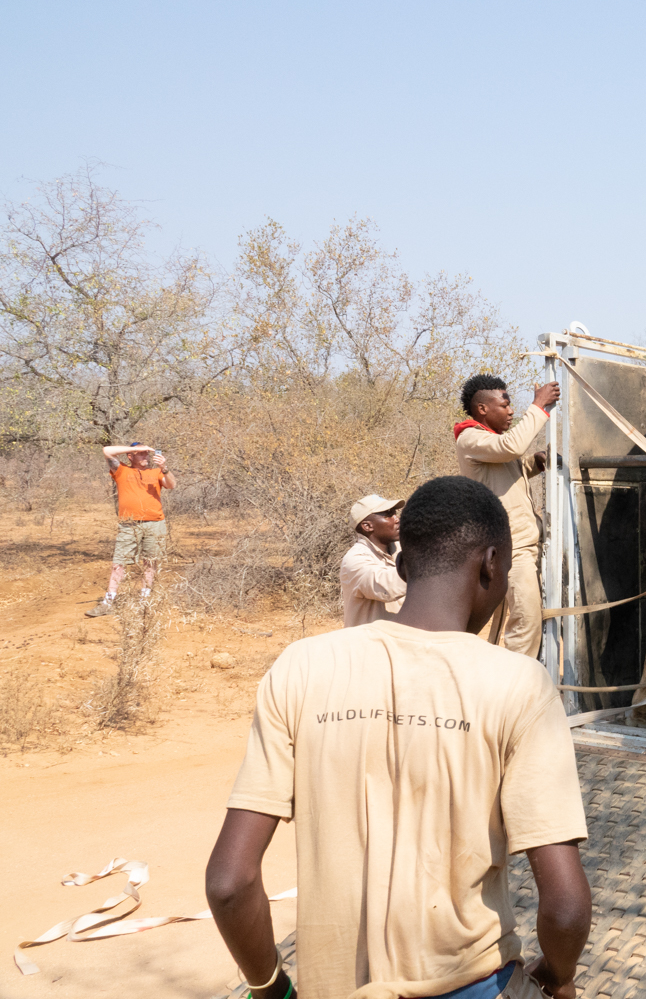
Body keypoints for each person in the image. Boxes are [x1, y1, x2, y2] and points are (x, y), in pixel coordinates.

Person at [206, 475, 592, 999]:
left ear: (405, 566)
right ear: (492, 564)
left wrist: (271, 990)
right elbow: (565, 907)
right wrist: (557, 977)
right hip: (473, 985)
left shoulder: (300, 667)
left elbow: (229, 885)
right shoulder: (519, 684)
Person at [455, 373, 559, 658]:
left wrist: (533, 464)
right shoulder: (470, 438)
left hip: (523, 544)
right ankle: (518, 691)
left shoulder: (491, 440)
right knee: (525, 623)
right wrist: (538, 406)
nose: (511, 410)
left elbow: (508, 468)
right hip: (510, 548)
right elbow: (512, 447)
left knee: (528, 621)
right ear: (482, 409)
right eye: (505, 404)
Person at [85, 442, 176, 617]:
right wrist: (134, 448)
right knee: (119, 563)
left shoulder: (156, 472)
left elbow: (171, 485)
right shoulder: (121, 470)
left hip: (155, 523)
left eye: (146, 454)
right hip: (129, 524)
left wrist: (164, 467)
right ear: (130, 456)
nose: (145, 457)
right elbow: (107, 451)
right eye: (141, 454)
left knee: (151, 562)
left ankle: (145, 600)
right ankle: (108, 602)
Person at [339, 494, 406, 628]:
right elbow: (386, 587)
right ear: (367, 526)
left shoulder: (400, 548)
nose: (397, 519)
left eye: (395, 513)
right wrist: (426, 563)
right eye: (388, 515)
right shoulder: (354, 560)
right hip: (370, 646)